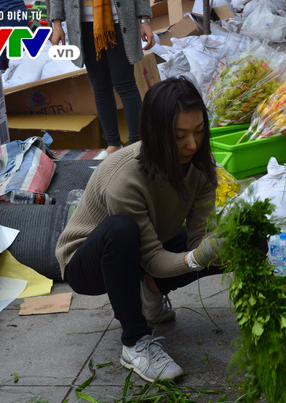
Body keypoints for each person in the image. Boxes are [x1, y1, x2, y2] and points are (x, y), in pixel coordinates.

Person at [55, 77, 224, 382]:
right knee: (121, 231)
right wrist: (197, 258)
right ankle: (135, 344)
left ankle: (151, 289)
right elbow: (153, 258)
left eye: (199, 132)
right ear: (156, 135)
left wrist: (215, 246)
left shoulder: (201, 166)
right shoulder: (125, 176)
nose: (192, 144)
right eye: (179, 135)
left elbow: (198, 238)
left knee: (244, 240)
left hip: (148, 244)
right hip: (89, 260)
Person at [49, 0, 155, 154]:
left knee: (125, 85)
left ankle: (137, 144)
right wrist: (56, 23)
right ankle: (113, 143)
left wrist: (144, 20)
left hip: (120, 21)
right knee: (100, 87)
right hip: (83, 25)